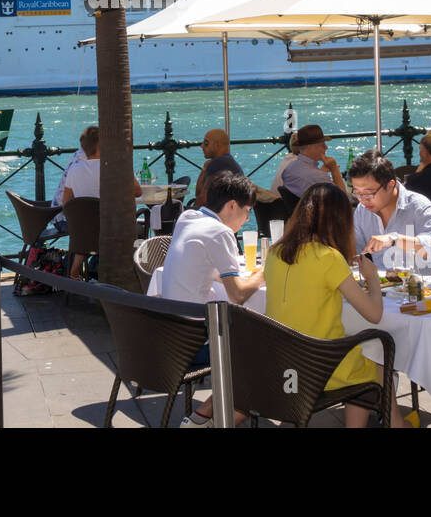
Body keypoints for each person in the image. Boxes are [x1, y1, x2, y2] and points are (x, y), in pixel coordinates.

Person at [264, 182, 412, 428]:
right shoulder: (328, 258)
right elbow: (374, 314)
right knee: (374, 354)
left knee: (363, 349)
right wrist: (373, 278)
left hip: (283, 363)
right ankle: (394, 423)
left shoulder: (274, 253)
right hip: (318, 367)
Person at [158, 172, 264, 428]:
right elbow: (239, 294)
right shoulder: (220, 233)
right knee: (264, 351)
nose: (247, 218)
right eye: (246, 211)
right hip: (194, 342)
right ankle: (207, 418)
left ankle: (210, 416)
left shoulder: (188, 217)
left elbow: (202, 263)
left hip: (167, 333)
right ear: (231, 206)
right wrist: (265, 271)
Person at [61, 125, 142, 279]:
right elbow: (138, 192)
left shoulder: (74, 169)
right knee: (142, 226)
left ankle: (75, 272)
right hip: (113, 230)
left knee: (90, 226)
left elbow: (66, 203)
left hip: (83, 233)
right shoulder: (115, 167)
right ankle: (136, 270)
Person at [350, 150, 431, 272]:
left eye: (369, 193)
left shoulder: (418, 206)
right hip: (385, 287)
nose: (363, 199)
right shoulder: (362, 211)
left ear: (390, 185)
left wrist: (394, 240)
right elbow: (356, 252)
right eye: (357, 193)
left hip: (426, 286)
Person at [279, 125, 346, 201]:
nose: (326, 147)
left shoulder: (290, 167)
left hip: (299, 211)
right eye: (322, 144)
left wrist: (321, 172)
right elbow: (343, 200)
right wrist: (334, 170)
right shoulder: (318, 177)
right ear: (310, 147)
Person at [194, 129, 243, 207]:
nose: (202, 146)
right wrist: (205, 168)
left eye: (206, 143)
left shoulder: (218, 163)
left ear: (217, 145)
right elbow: (198, 194)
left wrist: (189, 213)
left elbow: (202, 199)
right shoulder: (227, 161)